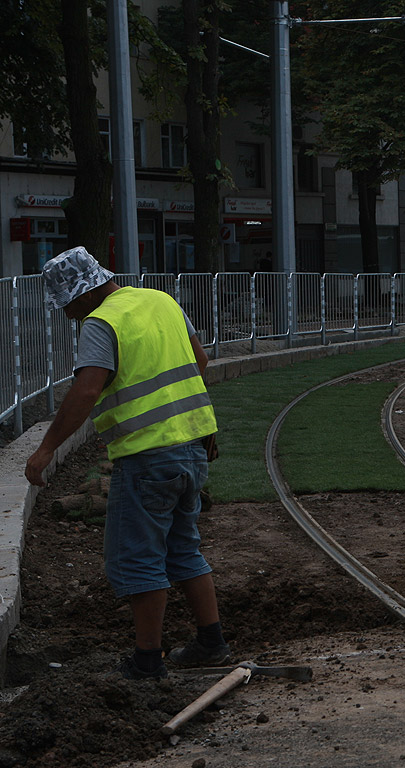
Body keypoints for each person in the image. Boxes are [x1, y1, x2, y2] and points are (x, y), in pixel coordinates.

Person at [24, 246, 229, 680]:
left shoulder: (101, 322)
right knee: (182, 548)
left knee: (136, 558)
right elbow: (200, 362)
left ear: (83, 294)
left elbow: (85, 391)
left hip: (147, 457)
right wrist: (196, 426)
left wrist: (45, 450)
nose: (67, 315)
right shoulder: (160, 299)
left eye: (66, 305)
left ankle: (146, 662)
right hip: (192, 449)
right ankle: (212, 642)